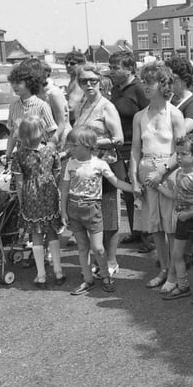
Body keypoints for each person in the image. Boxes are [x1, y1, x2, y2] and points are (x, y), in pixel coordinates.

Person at [129, 62, 185, 292]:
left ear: (163, 84)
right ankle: (163, 269)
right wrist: (134, 179)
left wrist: (162, 170)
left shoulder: (175, 114)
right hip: (146, 169)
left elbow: (181, 152)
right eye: (143, 82)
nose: (145, 86)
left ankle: (174, 273)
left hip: (168, 171)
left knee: (171, 226)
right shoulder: (139, 116)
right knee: (156, 227)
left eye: (150, 82)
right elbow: (135, 149)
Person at [62, 126, 134, 296]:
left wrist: (134, 189)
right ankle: (88, 280)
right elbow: (64, 189)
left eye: (74, 146)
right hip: (74, 209)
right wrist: (63, 211)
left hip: (93, 209)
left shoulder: (99, 164)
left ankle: (105, 276)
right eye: (70, 145)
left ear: (88, 145)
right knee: (82, 247)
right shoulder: (70, 164)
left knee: (98, 248)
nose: (71, 149)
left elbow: (116, 182)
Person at [72, 65, 125, 278]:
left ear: (100, 80)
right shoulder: (81, 105)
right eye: (84, 81)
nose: (89, 84)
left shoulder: (107, 107)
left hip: (106, 166)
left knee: (109, 215)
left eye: (93, 80)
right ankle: (98, 258)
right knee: (92, 215)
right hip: (85, 168)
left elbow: (118, 138)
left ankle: (111, 260)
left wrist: (90, 142)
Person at [154, 136, 193, 303]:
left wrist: (189, 215)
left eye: (183, 154)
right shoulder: (178, 173)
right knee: (177, 254)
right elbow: (176, 196)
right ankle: (183, 285)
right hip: (182, 220)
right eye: (177, 154)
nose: (178, 157)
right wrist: (159, 187)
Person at [11, 117, 64, 288]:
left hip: (30, 195)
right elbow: (57, 173)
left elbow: (19, 183)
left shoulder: (19, 155)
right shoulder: (51, 151)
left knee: (36, 234)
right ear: (41, 131)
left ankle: (41, 275)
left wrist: (21, 202)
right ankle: (58, 271)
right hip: (49, 192)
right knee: (52, 231)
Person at [108, 50, 150, 249]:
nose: (112, 71)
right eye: (111, 67)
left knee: (140, 191)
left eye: (116, 68)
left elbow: (149, 116)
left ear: (130, 69)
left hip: (136, 147)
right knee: (128, 193)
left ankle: (148, 237)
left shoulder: (139, 89)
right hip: (119, 148)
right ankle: (136, 232)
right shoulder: (116, 89)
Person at [4, 63, 57, 164]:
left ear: (29, 83)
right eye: (12, 82)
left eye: (19, 82)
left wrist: (47, 154)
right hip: (21, 155)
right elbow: (12, 134)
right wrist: (7, 154)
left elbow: (53, 134)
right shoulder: (13, 106)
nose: (14, 86)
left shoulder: (42, 106)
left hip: (40, 154)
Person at [166, 57, 193, 134]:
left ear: (185, 80)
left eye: (173, 78)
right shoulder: (166, 98)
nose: (169, 82)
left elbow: (183, 130)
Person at [64, 51, 87, 120]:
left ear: (82, 65)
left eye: (72, 63)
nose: (68, 65)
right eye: (66, 63)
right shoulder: (72, 81)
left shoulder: (79, 81)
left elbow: (71, 106)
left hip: (77, 122)